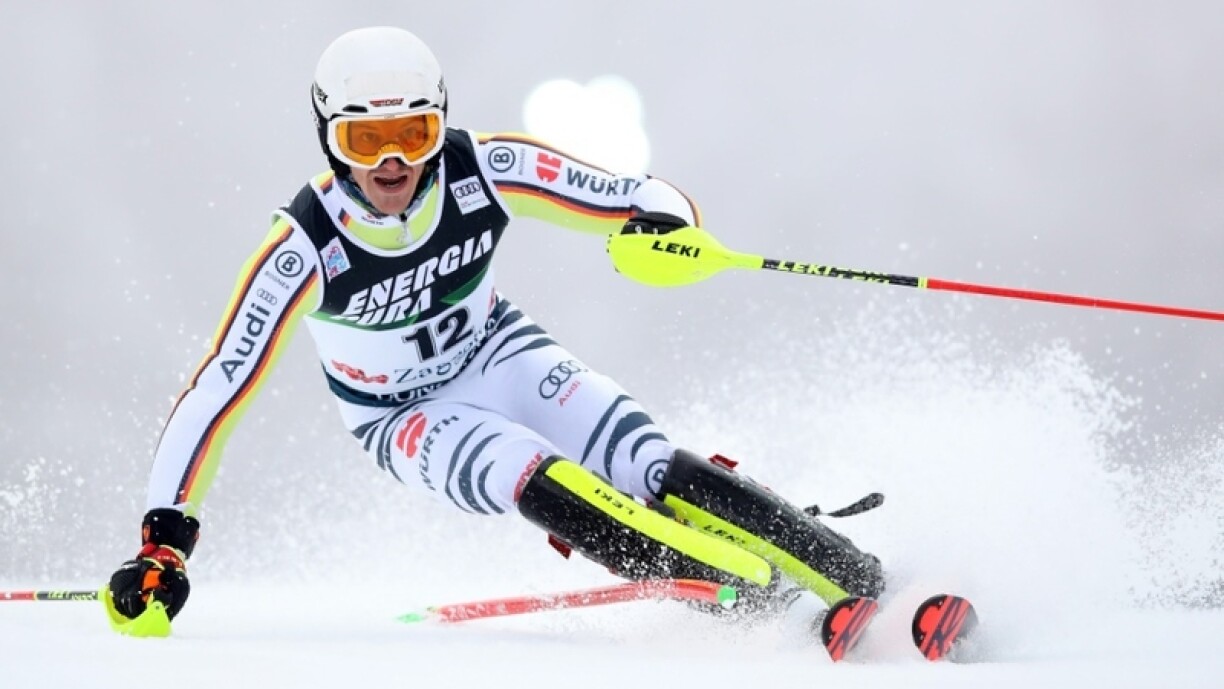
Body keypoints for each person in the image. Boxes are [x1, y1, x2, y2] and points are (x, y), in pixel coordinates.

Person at [106, 26, 884, 630]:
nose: (392, 162)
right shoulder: (301, 249)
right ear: (328, 138)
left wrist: (663, 230)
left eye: (414, 134)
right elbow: (219, 389)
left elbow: (636, 193)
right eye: (365, 140)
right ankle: (767, 610)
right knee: (531, 470)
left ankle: (857, 574)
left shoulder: (484, 167)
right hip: (403, 414)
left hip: (500, 352)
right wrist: (164, 539)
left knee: (645, 460)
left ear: (440, 123)